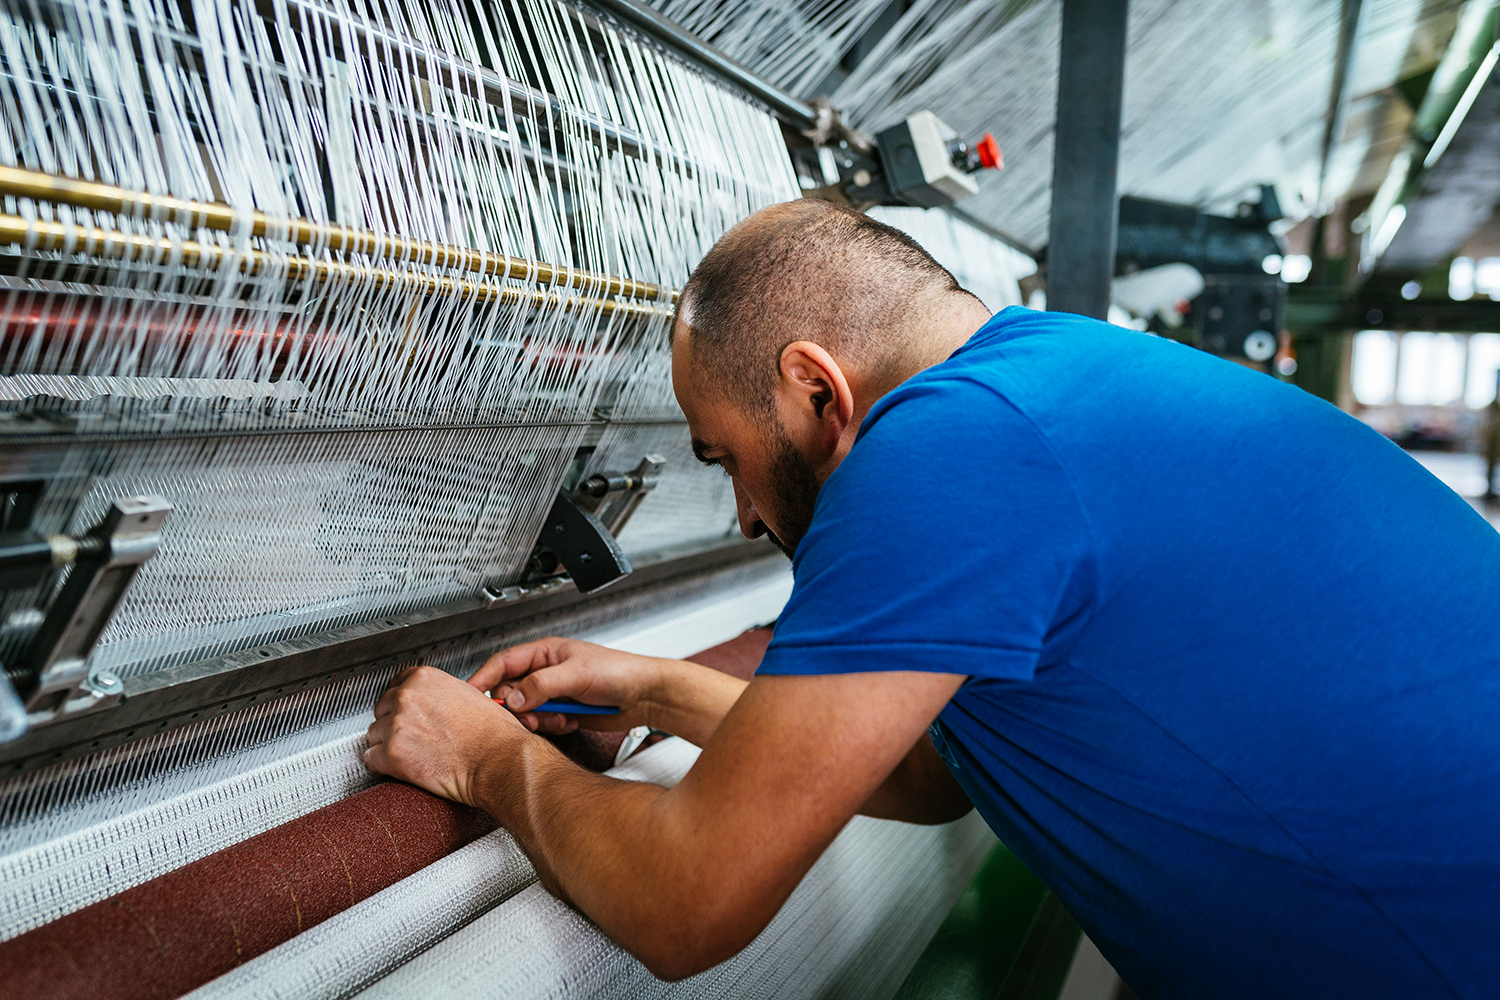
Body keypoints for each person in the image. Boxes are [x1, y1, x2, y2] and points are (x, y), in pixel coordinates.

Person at [364, 200, 1500, 999]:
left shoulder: (947, 453)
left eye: (725, 460)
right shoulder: (1045, 376)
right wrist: (663, 691)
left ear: (817, 388)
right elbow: (940, 774)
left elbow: (685, 906)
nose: (749, 517)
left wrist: (485, 759)